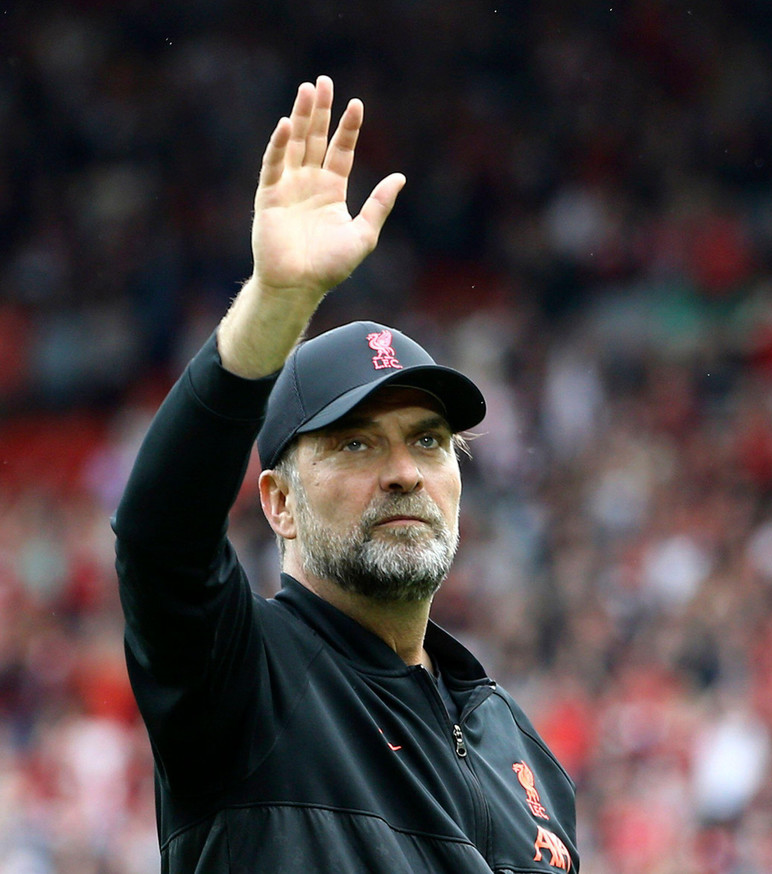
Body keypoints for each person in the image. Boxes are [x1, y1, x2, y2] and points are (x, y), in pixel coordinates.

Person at [113, 76, 578, 873]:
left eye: (429, 441)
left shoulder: (521, 750)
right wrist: (274, 304)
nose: (404, 473)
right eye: (356, 445)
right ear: (278, 504)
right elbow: (161, 539)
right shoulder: (242, 683)